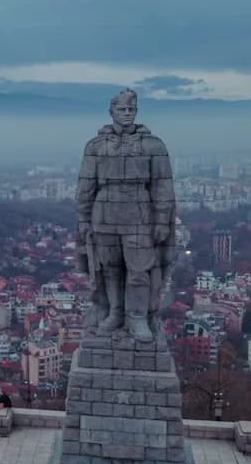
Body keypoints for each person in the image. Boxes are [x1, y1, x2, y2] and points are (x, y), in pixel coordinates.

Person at [75, 88, 177, 343]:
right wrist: (84, 219)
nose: (127, 114)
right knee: (109, 268)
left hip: (139, 211)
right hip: (104, 212)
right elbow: (85, 185)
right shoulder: (96, 146)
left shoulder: (153, 146)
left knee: (139, 269)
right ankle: (114, 312)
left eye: (131, 109)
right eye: (122, 109)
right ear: (112, 112)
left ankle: (138, 317)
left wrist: (162, 219)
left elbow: (162, 185)